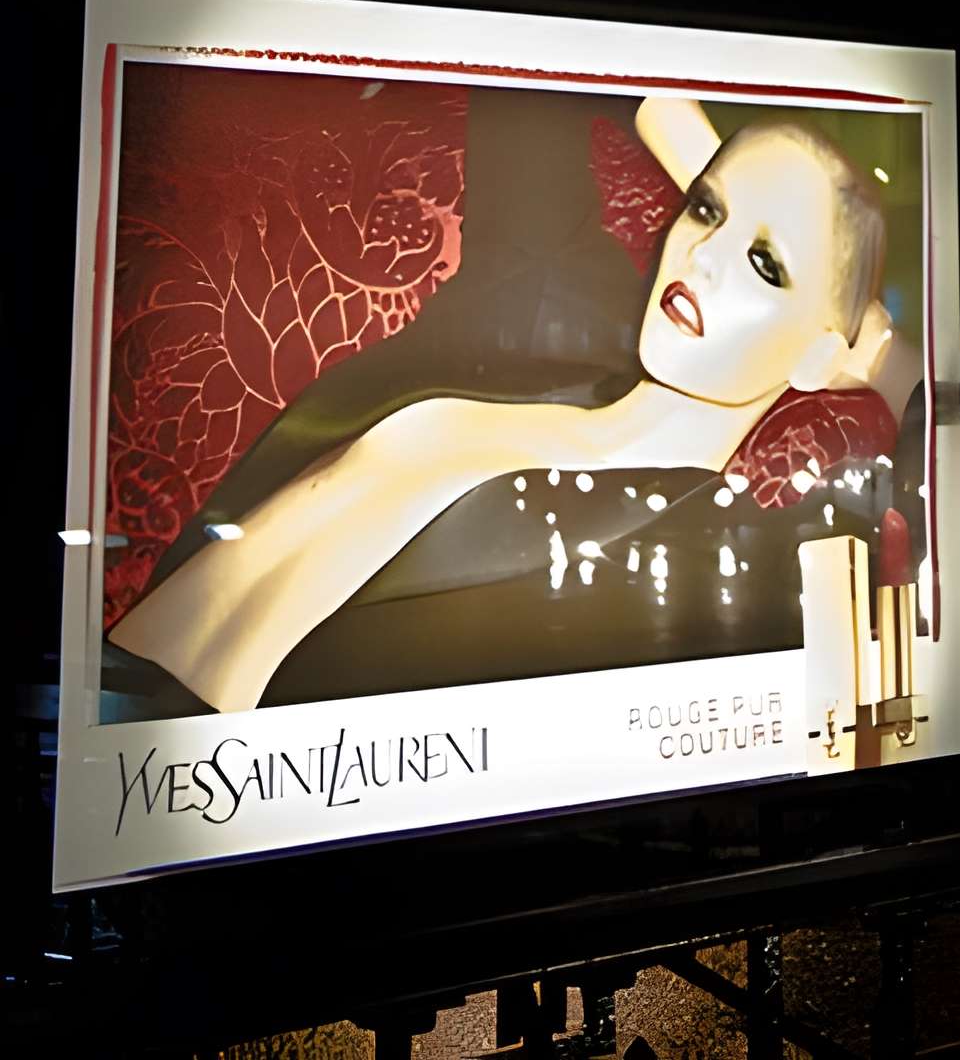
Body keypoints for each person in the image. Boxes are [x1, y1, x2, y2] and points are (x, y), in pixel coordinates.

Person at [109, 95, 894, 714]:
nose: (704, 257)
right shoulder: (522, 340)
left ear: (825, 356)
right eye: (705, 209)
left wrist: (877, 340)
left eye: (764, 263)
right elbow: (580, 54)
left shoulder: (703, 549)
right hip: (104, 736)